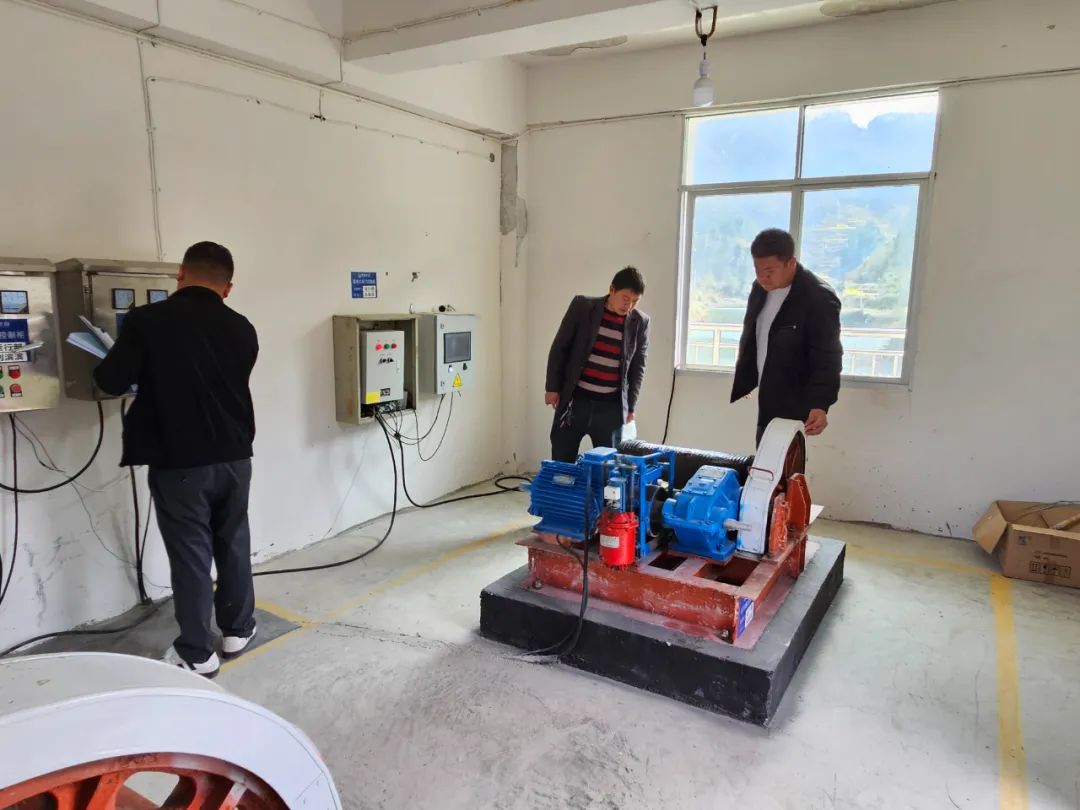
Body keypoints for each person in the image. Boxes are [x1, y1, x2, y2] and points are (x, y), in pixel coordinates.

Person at [94, 241, 259, 678]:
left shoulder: (147, 320)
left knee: (191, 554)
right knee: (233, 541)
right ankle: (238, 629)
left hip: (181, 462)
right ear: (228, 287)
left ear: (180, 274)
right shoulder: (242, 327)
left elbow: (111, 380)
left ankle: (198, 653)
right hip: (236, 457)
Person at [730, 229, 843, 446]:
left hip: (796, 400)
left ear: (791, 263)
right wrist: (748, 375)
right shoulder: (760, 288)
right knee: (765, 456)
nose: (762, 277)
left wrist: (820, 404)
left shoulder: (818, 297)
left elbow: (828, 356)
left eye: (769, 271)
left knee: (784, 459)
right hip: (768, 394)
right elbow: (754, 334)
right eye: (757, 270)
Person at [545, 267, 649, 462]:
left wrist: (631, 407)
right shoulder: (583, 307)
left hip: (610, 409)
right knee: (562, 460)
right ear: (612, 290)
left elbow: (638, 367)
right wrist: (552, 387)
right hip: (574, 402)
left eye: (635, 301)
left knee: (607, 467)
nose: (629, 305)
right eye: (625, 298)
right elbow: (560, 347)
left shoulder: (640, 322)